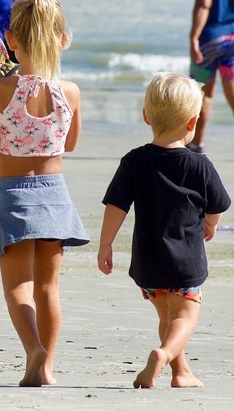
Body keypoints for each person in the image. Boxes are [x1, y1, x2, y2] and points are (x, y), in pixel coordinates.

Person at [0, 0, 89, 387]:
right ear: (61, 38)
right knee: (48, 288)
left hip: (13, 191)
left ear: (10, 38)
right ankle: (48, 366)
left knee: (17, 287)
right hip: (55, 192)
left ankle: (32, 351)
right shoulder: (70, 92)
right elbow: (70, 144)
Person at [98, 72, 230, 389]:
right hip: (186, 263)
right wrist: (210, 225)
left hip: (148, 263)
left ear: (146, 117)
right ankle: (164, 354)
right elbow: (218, 205)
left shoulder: (134, 161)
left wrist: (105, 246)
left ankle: (179, 372)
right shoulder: (199, 165)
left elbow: (116, 206)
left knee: (167, 318)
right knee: (184, 318)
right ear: (192, 123)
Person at [188, 0, 234, 153]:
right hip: (232, 41)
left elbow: (204, 4)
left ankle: (197, 144)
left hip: (211, 41)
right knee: (231, 86)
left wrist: (194, 36)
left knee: (203, 93)